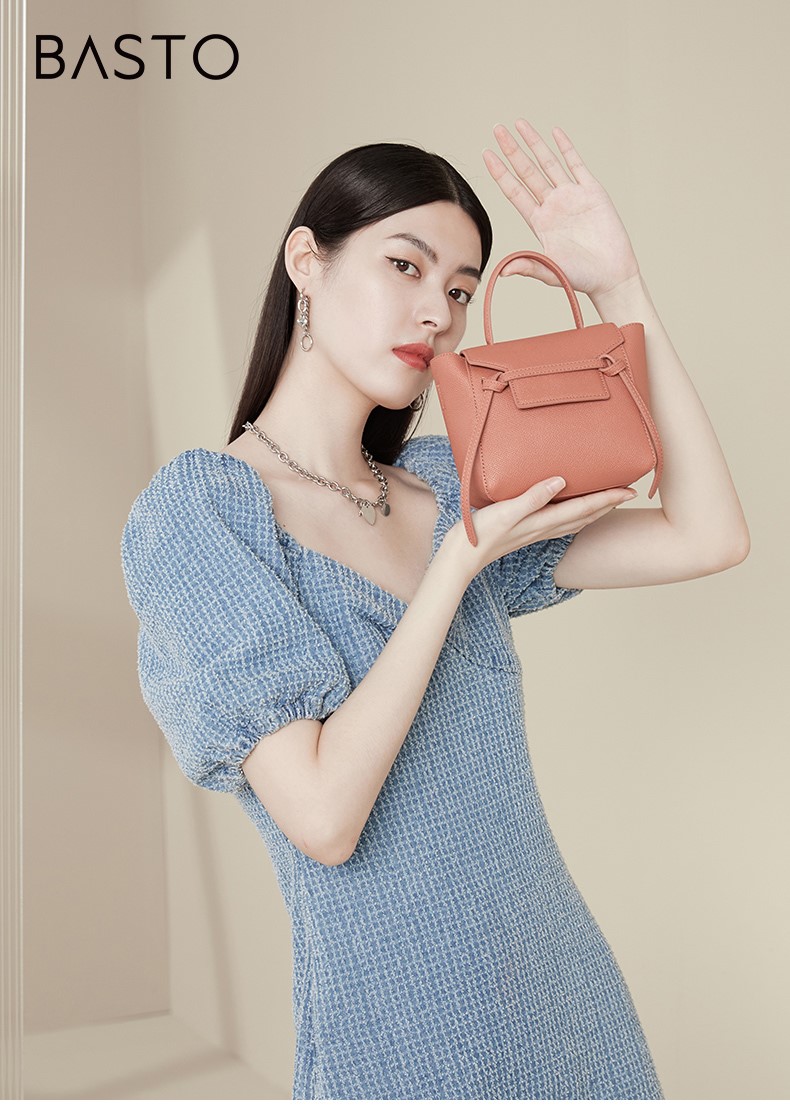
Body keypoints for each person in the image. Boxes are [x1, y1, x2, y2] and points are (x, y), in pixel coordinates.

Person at [120, 119, 749, 1101]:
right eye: (405, 266)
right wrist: (456, 567)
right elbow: (323, 816)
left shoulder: (448, 485)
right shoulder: (201, 514)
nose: (437, 314)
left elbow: (706, 535)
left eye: (459, 290)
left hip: (568, 1000)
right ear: (307, 262)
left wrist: (622, 291)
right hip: (405, 1037)